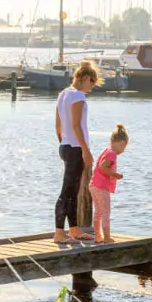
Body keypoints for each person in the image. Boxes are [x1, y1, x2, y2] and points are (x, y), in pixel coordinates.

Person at [53, 61, 99, 244]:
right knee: (67, 192)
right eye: (92, 83)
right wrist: (85, 150)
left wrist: (63, 143)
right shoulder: (78, 96)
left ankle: (73, 229)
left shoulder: (63, 94)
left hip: (65, 146)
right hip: (75, 147)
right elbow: (76, 125)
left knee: (73, 191)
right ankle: (59, 232)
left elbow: (58, 126)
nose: (92, 87)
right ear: (86, 78)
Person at [89, 123, 128, 243]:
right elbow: (103, 167)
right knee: (105, 211)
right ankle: (106, 237)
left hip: (93, 185)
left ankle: (97, 236)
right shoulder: (112, 154)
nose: (123, 151)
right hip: (101, 187)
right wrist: (115, 175)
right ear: (122, 143)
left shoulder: (107, 150)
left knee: (98, 211)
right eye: (124, 148)